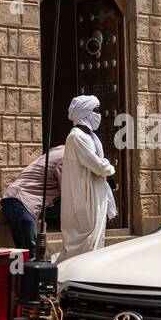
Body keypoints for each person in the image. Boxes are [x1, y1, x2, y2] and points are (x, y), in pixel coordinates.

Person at [56, 95, 116, 261]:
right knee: (84, 240)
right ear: (85, 112)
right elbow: (98, 165)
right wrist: (109, 167)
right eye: (96, 110)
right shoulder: (76, 137)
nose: (99, 115)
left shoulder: (90, 137)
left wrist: (105, 167)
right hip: (84, 197)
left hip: (95, 194)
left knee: (95, 239)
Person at [0, 146, 64, 251]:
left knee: (33, 254)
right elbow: (68, 191)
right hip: (20, 202)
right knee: (29, 254)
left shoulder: (58, 152)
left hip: (23, 202)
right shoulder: (64, 157)